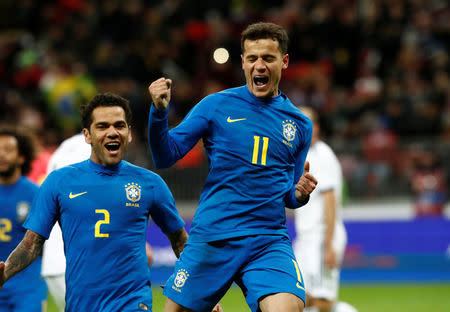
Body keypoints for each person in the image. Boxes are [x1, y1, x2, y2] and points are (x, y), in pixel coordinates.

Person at [148, 22, 318, 312]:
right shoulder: (216, 105)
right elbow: (166, 156)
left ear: (284, 61)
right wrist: (158, 113)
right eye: (252, 58)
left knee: (288, 308)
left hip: (267, 240)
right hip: (214, 235)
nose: (259, 65)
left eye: (268, 58)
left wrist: (300, 194)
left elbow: (288, 194)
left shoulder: (300, 124)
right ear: (242, 62)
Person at [0, 93, 188, 312]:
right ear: (87, 136)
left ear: (128, 134)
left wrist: (203, 293)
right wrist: (5, 274)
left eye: (119, 125)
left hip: (133, 304)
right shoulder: (59, 182)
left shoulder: (150, 183)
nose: (112, 132)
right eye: (102, 126)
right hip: (81, 305)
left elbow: (181, 242)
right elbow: (31, 245)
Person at [42, 132, 156, 312]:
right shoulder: (88, 149)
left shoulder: (65, 147)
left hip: (56, 262)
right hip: (80, 262)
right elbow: (96, 198)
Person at [293, 107, 357, 312]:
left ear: (315, 127)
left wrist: (328, 244)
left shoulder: (322, 155)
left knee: (323, 301)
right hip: (306, 238)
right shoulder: (304, 155)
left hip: (321, 237)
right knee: (297, 295)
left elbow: (330, 200)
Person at [0, 125, 47, 312]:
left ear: (21, 156)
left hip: (28, 287)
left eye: (8, 150)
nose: (2, 155)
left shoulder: (37, 194)